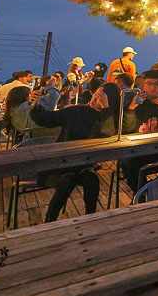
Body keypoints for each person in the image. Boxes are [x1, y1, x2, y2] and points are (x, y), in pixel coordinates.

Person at [29, 87, 108, 222]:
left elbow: (108, 131)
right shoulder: (76, 111)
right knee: (68, 180)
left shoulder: (107, 120)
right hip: (62, 163)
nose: (96, 98)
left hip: (84, 165)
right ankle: (49, 221)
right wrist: (34, 104)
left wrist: (106, 110)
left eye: (101, 97)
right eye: (96, 94)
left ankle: (90, 217)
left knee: (92, 179)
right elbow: (46, 119)